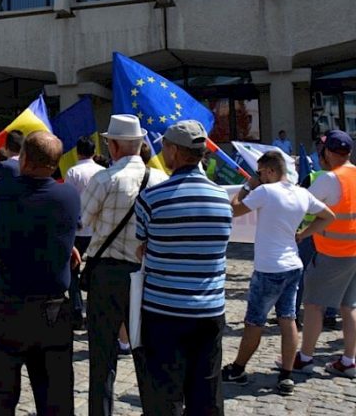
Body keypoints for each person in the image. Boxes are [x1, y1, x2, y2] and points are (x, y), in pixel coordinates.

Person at [134, 120, 232, 415]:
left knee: (164, 395)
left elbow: (142, 245)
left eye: (164, 146)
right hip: (209, 310)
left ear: (175, 151)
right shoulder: (222, 199)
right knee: (206, 394)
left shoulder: (151, 198)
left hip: (164, 310)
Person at [0, 131, 79, 415]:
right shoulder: (68, 196)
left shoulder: (1, 191)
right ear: (55, 163)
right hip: (52, 311)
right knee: (56, 401)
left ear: (23, 159)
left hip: (7, 307)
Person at [225, 150, 334, 394]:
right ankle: (286, 375)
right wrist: (304, 234)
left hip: (268, 267)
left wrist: (247, 186)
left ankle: (238, 368)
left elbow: (234, 209)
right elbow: (328, 216)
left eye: (260, 172)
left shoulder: (265, 191)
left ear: (271, 171)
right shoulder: (302, 193)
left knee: (254, 321)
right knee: (288, 318)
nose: (258, 177)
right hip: (292, 264)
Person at [79, 114, 166, 416]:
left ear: (113, 146)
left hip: (106, 273)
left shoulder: (104, 179)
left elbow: (81, 220)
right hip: (146, 274)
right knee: (147, 353)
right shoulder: (161, 180)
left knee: (102, 357)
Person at [295, 130, 356, 378]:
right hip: (353, 252)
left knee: (313, 305)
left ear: (328, 153)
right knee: (349, 306)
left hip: (332, 251)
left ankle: (305, 358)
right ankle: (349, 360)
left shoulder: (330, 179)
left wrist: (303, 232)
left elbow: (300, 205)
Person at [64, 135, 105, 330]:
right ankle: (94, 311)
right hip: (98, 228)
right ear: (94, 151)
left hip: (78, 228)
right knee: (96, 270)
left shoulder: (73, 172)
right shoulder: (102, 172)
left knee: (72, 270)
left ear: (77, 152)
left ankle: (76, 309)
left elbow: (68, 200)